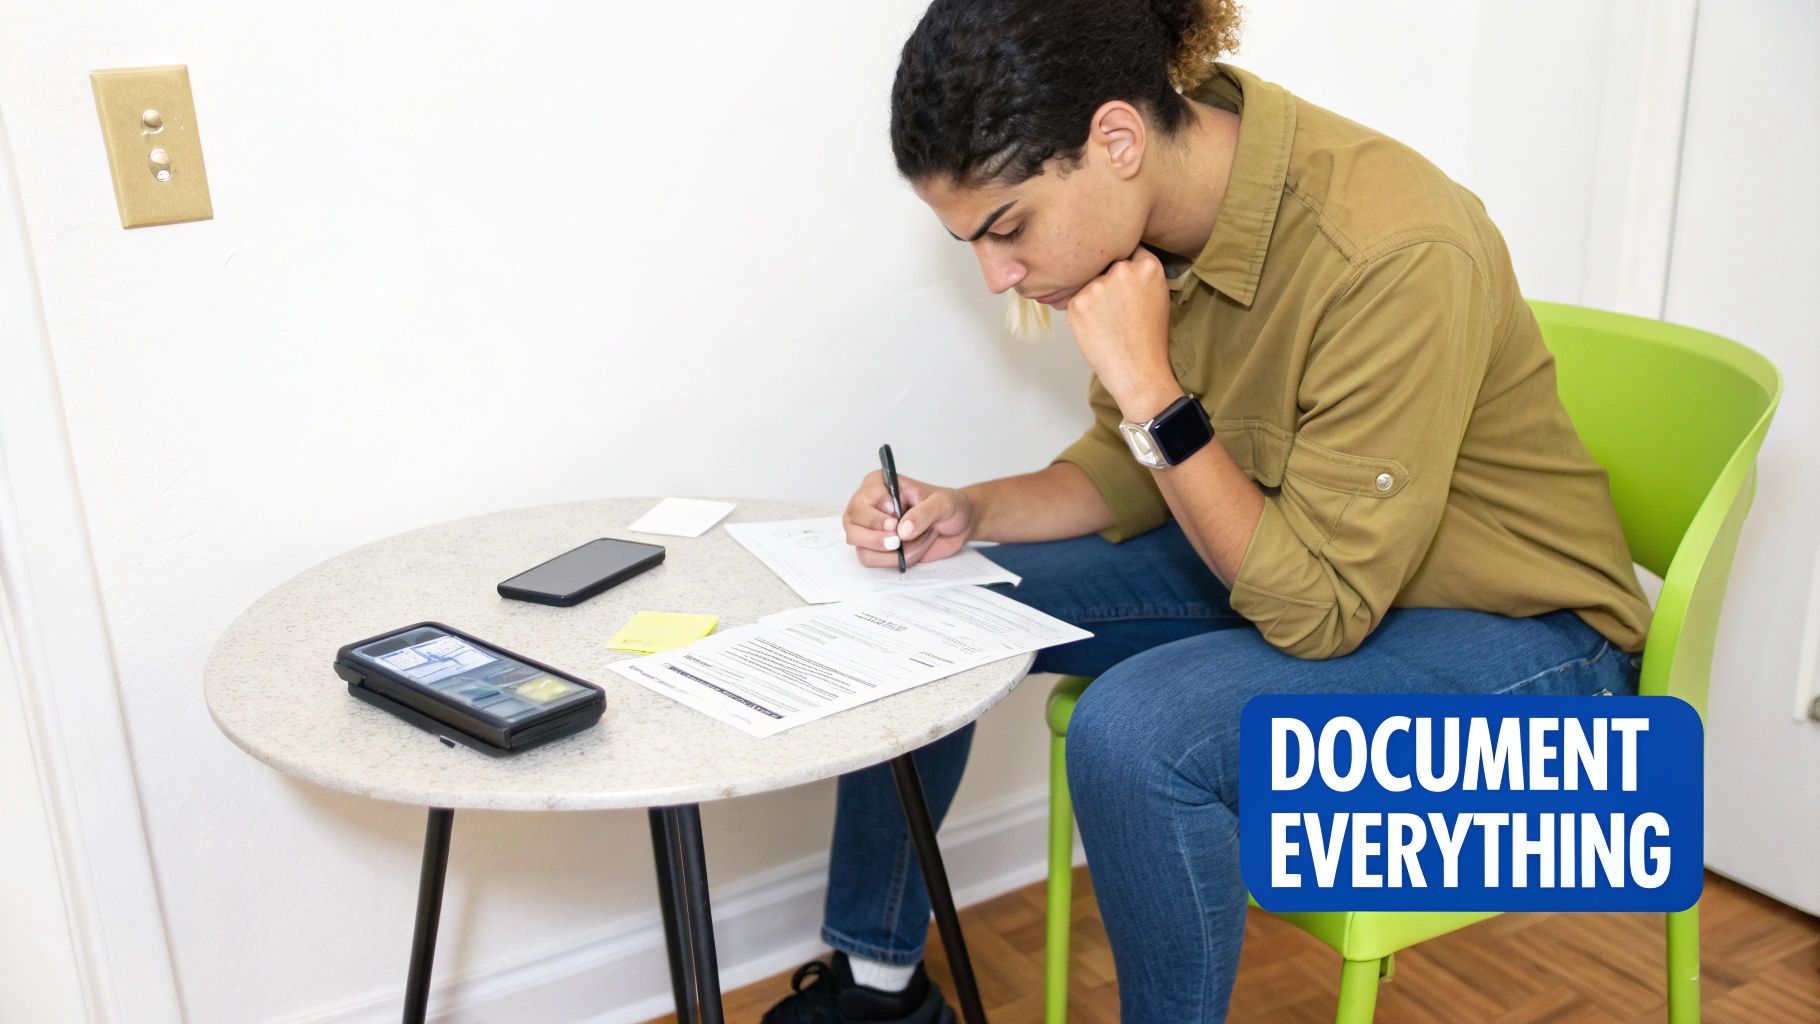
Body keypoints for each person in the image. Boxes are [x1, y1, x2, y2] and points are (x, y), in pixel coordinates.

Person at [762, 0, 1654, 1020]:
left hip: (1531, 651)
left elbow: (1315, 608)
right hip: (1289, 561)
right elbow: (1139, 468)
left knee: (1131, 733)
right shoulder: (1155, 230)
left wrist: (1153, 391)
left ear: (1116, 139)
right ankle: (877, 990)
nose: (996, 273)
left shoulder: (1390, 248)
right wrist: (970, 509)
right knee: (932, 608)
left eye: (1006, 227)